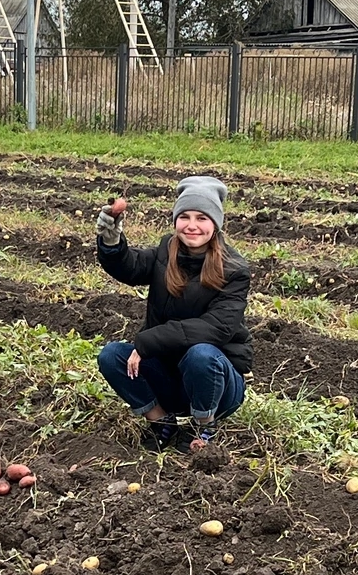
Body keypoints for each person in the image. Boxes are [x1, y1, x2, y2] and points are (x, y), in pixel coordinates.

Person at [94, 174, 251, 451]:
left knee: (201, 354)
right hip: (171, 377)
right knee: (111, 356)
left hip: (217, 385)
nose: (192, 226)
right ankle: (162, 422)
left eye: (202, 218)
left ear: (216, 223)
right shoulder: (167, 250)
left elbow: (217, 328)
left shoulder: (234, 270)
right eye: (185, 217)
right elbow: (131, 267)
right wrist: (111, 243)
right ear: (175, 220)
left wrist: (148, 341)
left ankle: (204, 426)